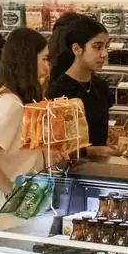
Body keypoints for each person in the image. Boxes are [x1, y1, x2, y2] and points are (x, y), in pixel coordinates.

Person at [0, 27, 48, 211]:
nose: (47, 67)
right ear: (28, 60)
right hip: (4, 206)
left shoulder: (14, 98)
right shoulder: (10, 104)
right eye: (44, 59)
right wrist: (13, 195)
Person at [45, 12, 114, 156]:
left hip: (103, 168)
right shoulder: (58, 92)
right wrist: (95, 151)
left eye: (106, 46)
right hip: (71, 169)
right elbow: (54, 148)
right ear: (77, 49)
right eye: (97, 47)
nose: (104, 54)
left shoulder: (101, 87)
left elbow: (98, 134)